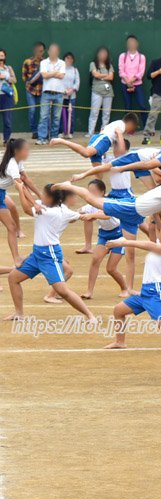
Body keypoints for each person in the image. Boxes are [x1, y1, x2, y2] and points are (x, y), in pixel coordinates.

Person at [4, 182, 95, 322]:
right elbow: (34, 201)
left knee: (62, 290)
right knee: (13, 278)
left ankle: (90, 315)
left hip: (49, 254)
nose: (41, 196)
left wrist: (20, 190)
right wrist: (23, 186)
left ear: (50, 198)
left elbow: (27, 209)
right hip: (37, 254)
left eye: (44, 194)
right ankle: (19, 314)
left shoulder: (50, 212)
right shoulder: (54, 208)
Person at [103, 205, 161, 350]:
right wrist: (160, 211)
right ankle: (120, 342)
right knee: (119, 311)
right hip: (146, 291)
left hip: (156, 291)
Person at [77, 180, 127, 299]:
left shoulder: (108, 202)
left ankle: (125, 288)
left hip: (118, 235)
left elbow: (107, 215)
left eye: (94, 191)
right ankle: (89, 291)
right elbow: (79, 212)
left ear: (102, 192)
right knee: (95, 260)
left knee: (111, 268)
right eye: (89, 192)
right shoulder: (89, 206)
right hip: (104, 235)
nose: (91, 194)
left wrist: (92, 216)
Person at [0, 139, 37, 267]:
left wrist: (40, 195)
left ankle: (16, 258)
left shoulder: (18, 161)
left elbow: (26, 179)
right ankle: (16, 259)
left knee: (11, 226)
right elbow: (20, 186)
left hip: (1, 193)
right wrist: (34, 203)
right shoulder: (12, 164)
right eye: (26, 150)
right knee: (11, 227)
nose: (28, 152)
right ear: (17, 151)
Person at [37, 43, 66, 145]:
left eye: (55, 51)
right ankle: (42, 138)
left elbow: (62, 75)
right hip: (46, 92)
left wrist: (50, 73)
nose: (53, 53)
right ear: (48, 51)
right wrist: (55, 73)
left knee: (56, 117)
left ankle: (53, 137)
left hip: (59, 93)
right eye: (51, 50)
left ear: (58, 52)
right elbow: (44, 75)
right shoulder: (44, 62)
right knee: (43, 116)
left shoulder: (62, 63)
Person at [118, 35, 147, 125]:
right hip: (125, 83)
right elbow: (121, 70)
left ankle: (147, 128)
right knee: (127, 107)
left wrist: (132, 80)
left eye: (133, 42)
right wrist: (127, 81)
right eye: (129, 42)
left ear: (137, 43)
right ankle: (128, 128)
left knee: (142, 105)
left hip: (137, 84)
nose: (131, 44)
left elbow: (141, 72)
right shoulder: (123, 56)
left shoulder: (141, 57)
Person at [87, 47, 115, 138]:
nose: (103, 55)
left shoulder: (109, 65)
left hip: (108, 92)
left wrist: (101, 76)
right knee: (94, 112)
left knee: (106, 114)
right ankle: (90, 133)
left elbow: (111, 77)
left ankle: (104, 133)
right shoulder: (93, 64)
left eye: (105, 53)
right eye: (101, 53)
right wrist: (105, 75)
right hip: (96, 91)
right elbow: (95, 74)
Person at [22, 42, 45, 139]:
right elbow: (24, 76)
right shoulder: (27, 62)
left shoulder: (45, 62)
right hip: (30, 90)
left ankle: (41, 131)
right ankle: (34, 131)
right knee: (32, 110)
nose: (40, 53)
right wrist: (28, 83)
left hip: (42, 90)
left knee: (43, 112)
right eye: (38, 51)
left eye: (41, 51)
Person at [58, 53, 79, 139]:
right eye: (67, 58)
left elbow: (77, 82)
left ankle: (69, 132)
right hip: (61, 96)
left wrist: (72, 90)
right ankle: (61, 132)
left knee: (71, 114)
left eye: (71, 59)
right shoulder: (60, 70)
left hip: (72, 96)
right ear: (64, 59)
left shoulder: (75, 70)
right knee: (60, 114)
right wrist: (64, 90)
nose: (69, 60)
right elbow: (58, 81)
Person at [0, 49, 17, 144]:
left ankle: (6, 140)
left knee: (7, 120)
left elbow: (14, 80)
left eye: (2, 55)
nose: (0, 57)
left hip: (7, 96)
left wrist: (5, 77)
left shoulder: (8, 68)